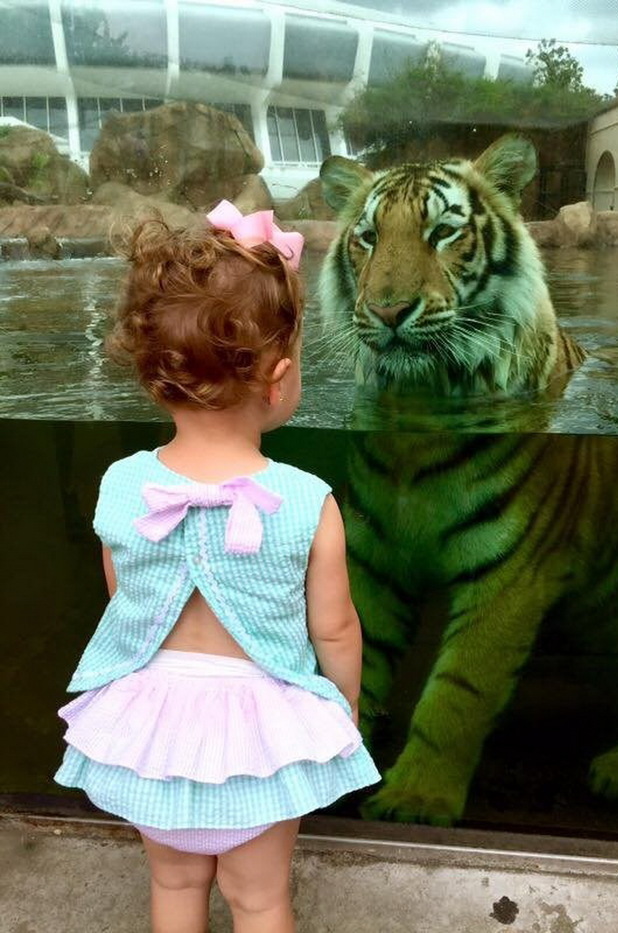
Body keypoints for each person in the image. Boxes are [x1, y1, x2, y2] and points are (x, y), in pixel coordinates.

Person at [54, 201, 380, 933]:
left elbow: (125, 601)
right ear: (280, 377)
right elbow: (334, 629)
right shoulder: (303, 500)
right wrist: (342, 712)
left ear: (152, 373)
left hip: (152, 728)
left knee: (173, 885)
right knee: (260, 898)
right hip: (262, 737)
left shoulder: (122, 484)